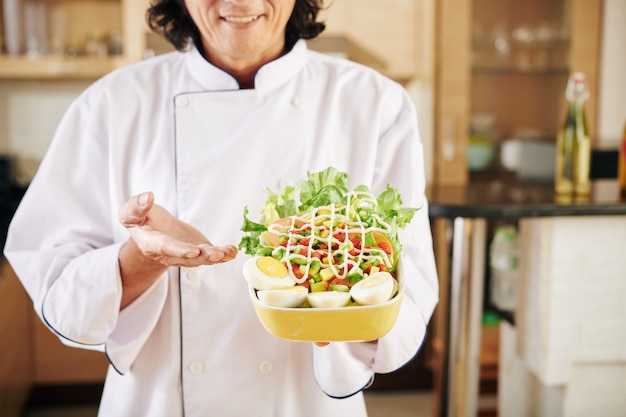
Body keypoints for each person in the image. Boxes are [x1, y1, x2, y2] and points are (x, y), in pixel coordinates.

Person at [4, 0, 439, 415]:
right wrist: (142, 258)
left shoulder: (375, 103)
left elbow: (410, 291)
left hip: (306, 402)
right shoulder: (113, 103)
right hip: (161, 401)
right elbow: (58, 289)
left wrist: (338, 311)